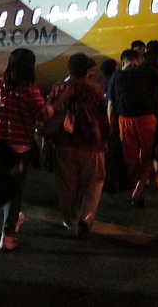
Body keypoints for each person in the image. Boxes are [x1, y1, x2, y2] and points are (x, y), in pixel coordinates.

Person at [0, 48, 53, 251]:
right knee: (14, 191)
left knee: (1, 185)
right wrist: (56, 105)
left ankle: (12, 218)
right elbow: (42, 114)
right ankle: (8, 235)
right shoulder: (30, 89)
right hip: (19, 148)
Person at [47, 54, 110, 238]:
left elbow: (49, 114)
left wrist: (46, 143)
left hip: (64, 143)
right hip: (91, 143)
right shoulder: (96, 90)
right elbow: (102, 118)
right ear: (88, 70)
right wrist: (105, 139)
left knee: (67, 186)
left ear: (69, 69)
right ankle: (85, 218)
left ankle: (70, 221)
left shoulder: (59, 88)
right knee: (93, 184)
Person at [106, 49, 158, 207]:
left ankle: (133, 188)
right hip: (146, 118)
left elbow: (111, 104)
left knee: (130, 158)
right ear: (138, 60)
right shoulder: (148, 71)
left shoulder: (116, 76)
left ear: (123, 62)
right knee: (147, 156)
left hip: (125, 120)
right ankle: (137, 191)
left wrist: (110, 123)